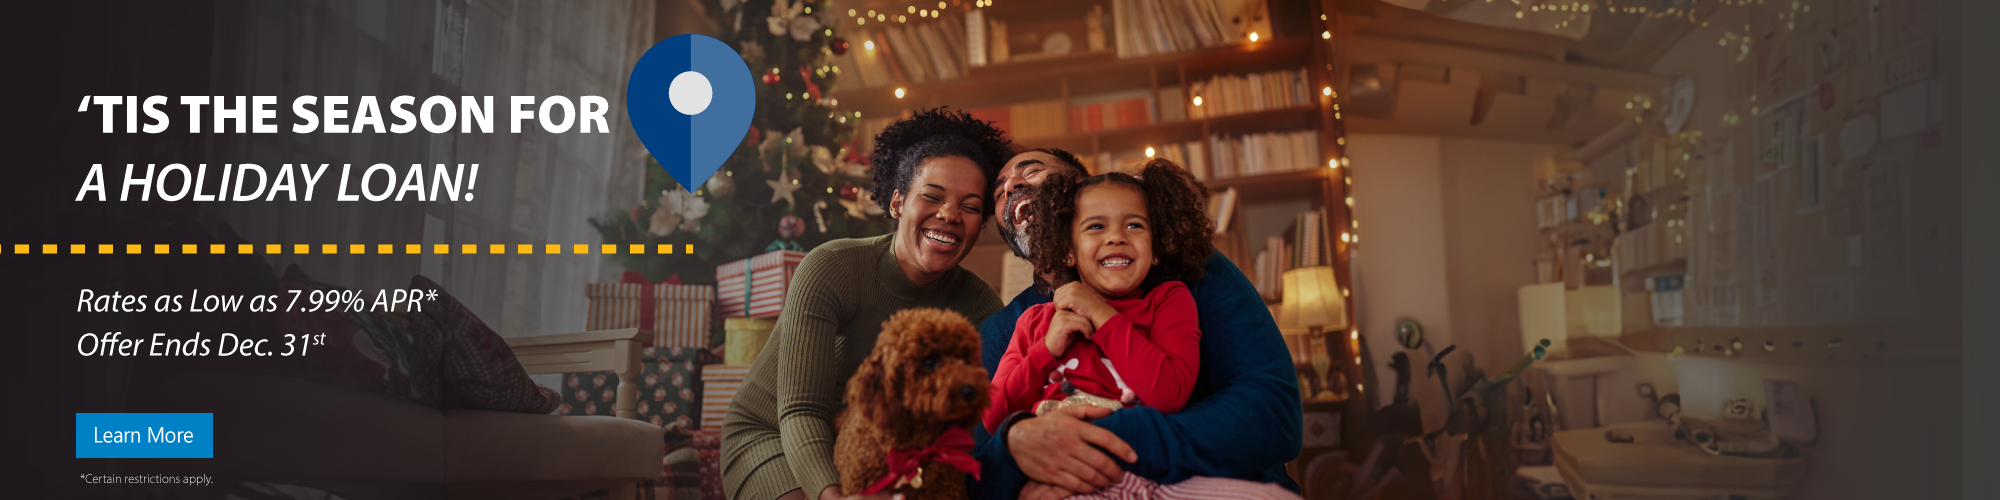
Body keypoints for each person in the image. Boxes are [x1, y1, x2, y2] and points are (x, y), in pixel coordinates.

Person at [972, 150, 1304, 500]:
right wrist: (1014, 444)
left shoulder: (1186, 273)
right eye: (998, 193)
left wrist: (1103, 437)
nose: (1012, 187)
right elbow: (979, 469)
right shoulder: (1005, 329)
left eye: (1032, 171)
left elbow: (1272, 416)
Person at [722, 108, 1014, 500]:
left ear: (981, 225)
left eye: (971, 206)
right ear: (897, 203)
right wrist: (832, 496)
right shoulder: (833, 266)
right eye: (932, 196)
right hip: (772, 432)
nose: (949, 215)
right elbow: (801, 410)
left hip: (881, 444)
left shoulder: (981, 307)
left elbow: (973, 420)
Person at [984, 160, 1213, 433]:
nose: (1116, 237)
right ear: (1067, 250)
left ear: (1156, 247)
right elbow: (992, 417)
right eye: (1095, 227)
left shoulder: (1169, 300)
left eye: (1134, 226)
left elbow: (1169, 395)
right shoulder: (1034, 322)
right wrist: (1046, 350)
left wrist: (1101, 314)